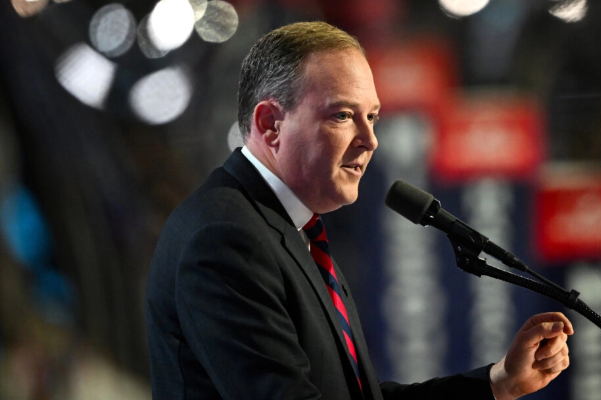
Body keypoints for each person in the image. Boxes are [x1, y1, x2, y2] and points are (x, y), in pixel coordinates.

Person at [145, 21, 573, 400]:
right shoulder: (226, 238)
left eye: (373, 117)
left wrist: (499, 383)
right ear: (270, 124)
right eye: (344, 115)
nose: (370, 140)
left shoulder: (289, 230)